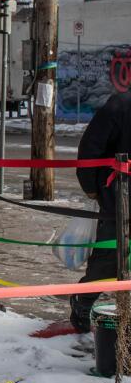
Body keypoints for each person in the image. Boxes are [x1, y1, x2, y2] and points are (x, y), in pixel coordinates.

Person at [71, 91, 131, 331]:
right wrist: (91, 187)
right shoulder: (120, 105)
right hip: (120, 199)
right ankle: (83, 303)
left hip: (117, 195)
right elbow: (90, 148)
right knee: (108, 257)